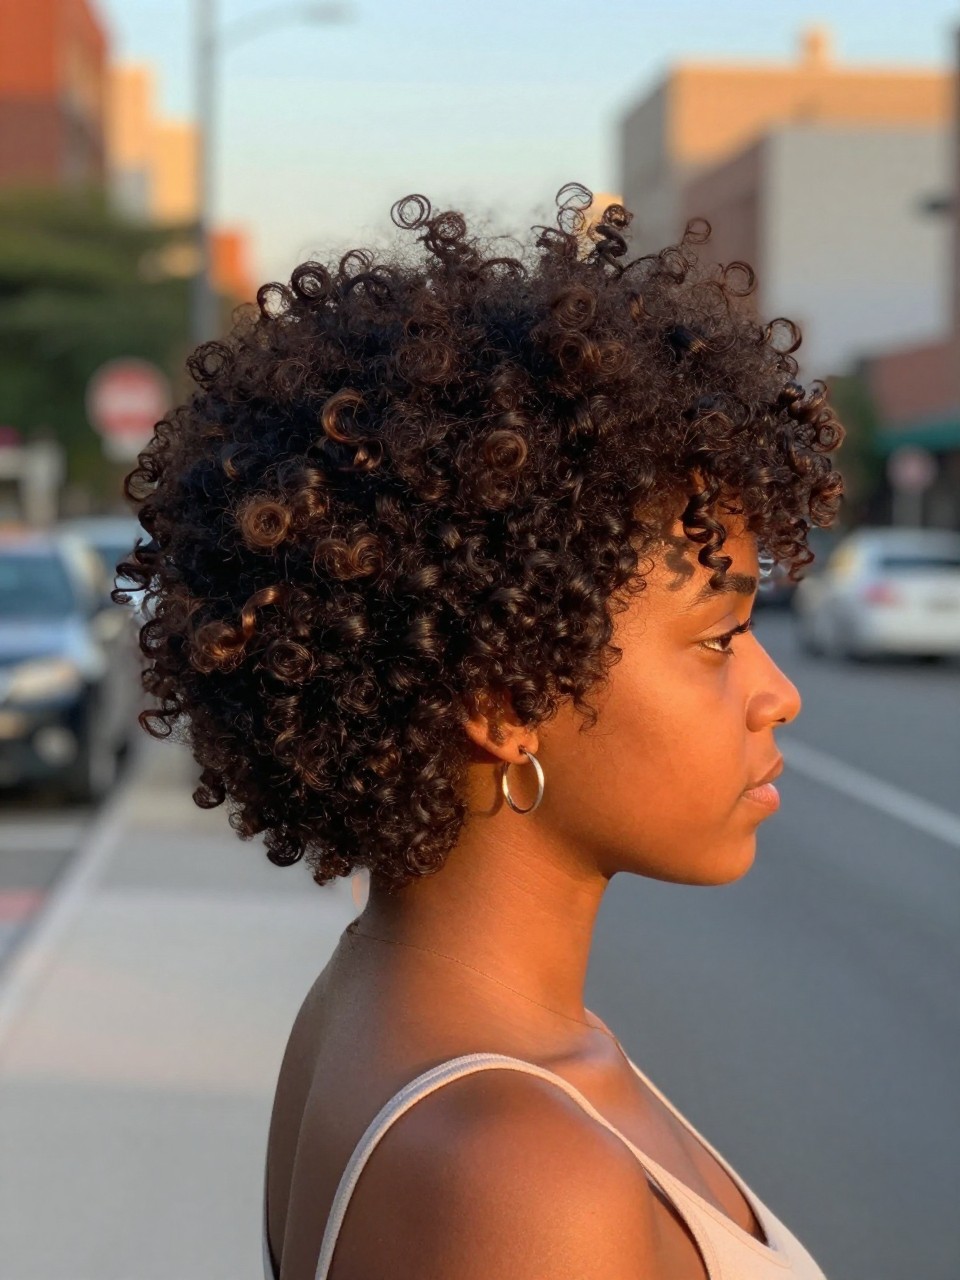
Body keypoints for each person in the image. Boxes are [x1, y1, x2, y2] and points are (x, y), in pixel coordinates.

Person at [118, 183, 843, 1280]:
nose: (777, 692)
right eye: (718, 638)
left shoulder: (379, 999)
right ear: (505, 701)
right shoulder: (523, 1178)